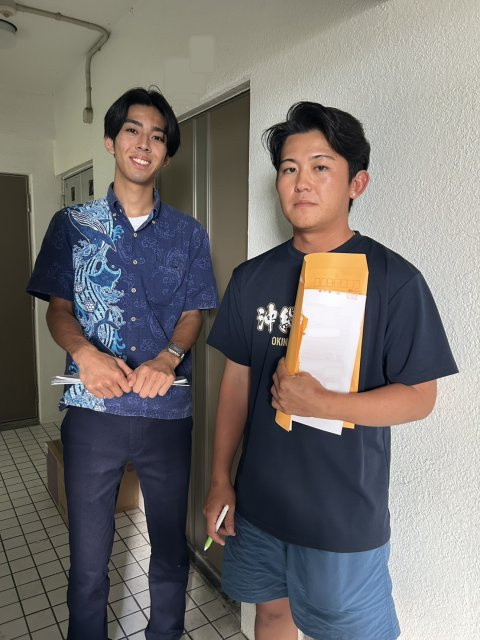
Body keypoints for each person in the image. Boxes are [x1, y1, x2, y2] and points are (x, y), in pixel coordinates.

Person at [204, 101, 457, 640]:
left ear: (355, 183)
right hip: (259, 503)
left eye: (320, 167)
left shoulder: (394, 280)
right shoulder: (252, 278)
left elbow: (420, 396)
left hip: (342, 517)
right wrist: (221, 478)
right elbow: (236, 382)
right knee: (271, 615)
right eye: (289, 168)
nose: (301, 182)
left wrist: (324, 405)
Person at [28, 87, 218, 640]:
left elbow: (194, 312)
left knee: (170, 551)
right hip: (93, 412)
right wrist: (85, 354)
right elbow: (58, 310)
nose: (144, 143)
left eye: (158, 136)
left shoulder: (188, 233)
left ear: (167, 154)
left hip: (167, 414)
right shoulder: (72, 224)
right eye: (133, 130)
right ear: (111, 141)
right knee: (88, 561)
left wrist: (169, 356)